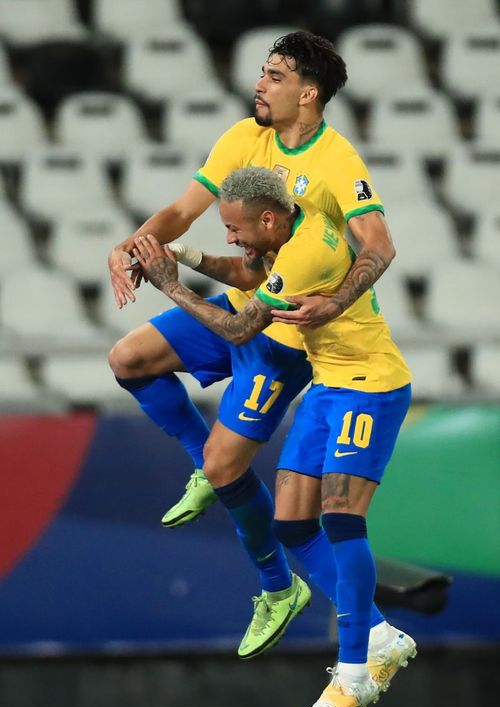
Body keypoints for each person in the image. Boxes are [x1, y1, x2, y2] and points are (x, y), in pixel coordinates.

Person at [107, 31, 396, 658]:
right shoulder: (245, 137)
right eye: (261, 73)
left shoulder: (337, 163)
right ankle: (203, 469)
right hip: (239, 300)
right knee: (127, 359)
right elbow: (182, 213)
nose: (259, 84)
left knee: (227, 465)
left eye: (273, 75)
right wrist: (135, 243)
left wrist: (335, 300)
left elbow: (379, 245)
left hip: (283, 338)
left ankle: (278, 588)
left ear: (308, 93)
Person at [131, 166, 416, 707]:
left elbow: (240, 330)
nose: (231, 236)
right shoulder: (292, 229)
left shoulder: (309, 248)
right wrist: (186, 253)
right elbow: (248, 270)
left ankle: (355, 669)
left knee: (340, 517)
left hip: (369, 384)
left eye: (234, 227)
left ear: (267, 217)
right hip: (328, 383)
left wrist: (170, 283)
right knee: (293, 525)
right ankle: (382, 634)